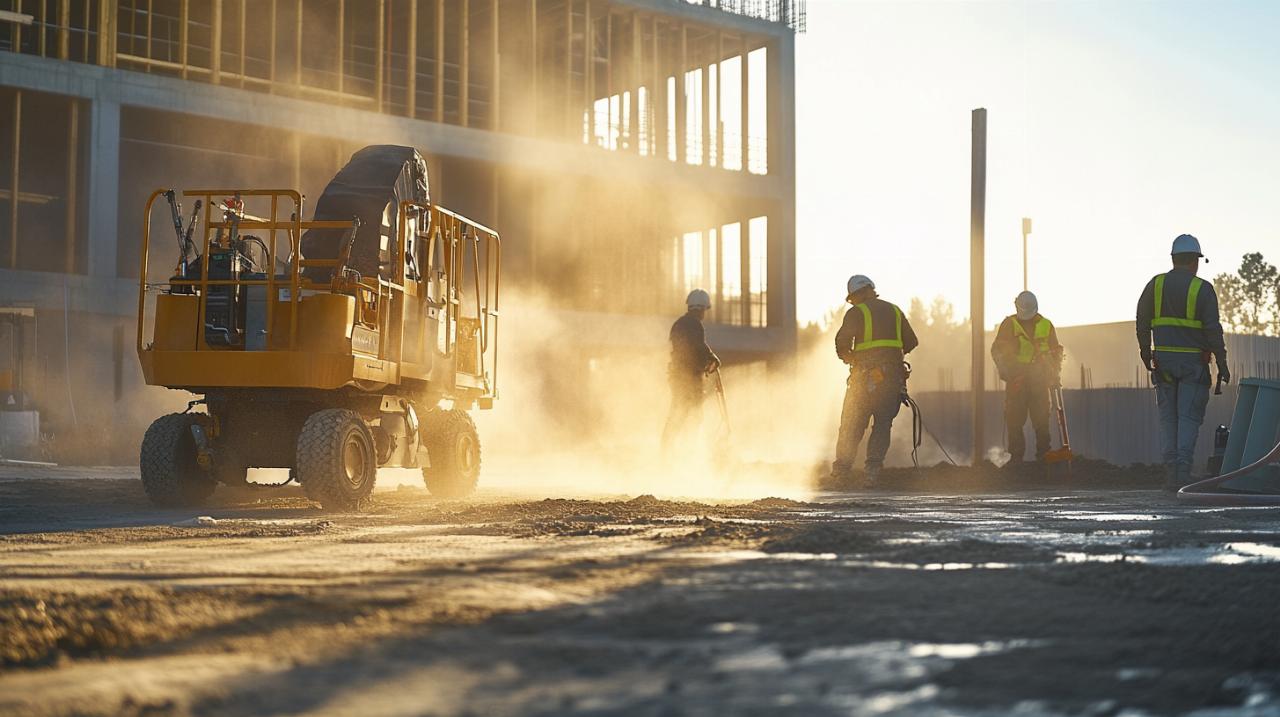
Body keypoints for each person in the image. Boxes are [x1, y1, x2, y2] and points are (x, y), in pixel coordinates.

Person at [1135, 234, 1229, 491]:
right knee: (1188, 418)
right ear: (1195, 261)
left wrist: (1145, 351)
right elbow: (1213, 330)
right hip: (1193, 366)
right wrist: (1222, 362)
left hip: (1163, 363)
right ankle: (1182, 473)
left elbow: (1142, 319)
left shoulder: (1155, 285)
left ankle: (1170, 473)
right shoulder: (1203, 289)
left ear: (1174, 258)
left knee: (1169, 419)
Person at [831, 275, 919, 486]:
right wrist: (891, 357)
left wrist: (851, 359)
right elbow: (912, 341)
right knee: (882, 424)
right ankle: (872, 473)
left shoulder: (856, 313)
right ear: (871, 289)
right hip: (891, 379)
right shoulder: (895, 310)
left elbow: (841, 342)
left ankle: (842, 473)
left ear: (854, 296)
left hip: (863, 378)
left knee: (852, 425)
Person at [991, 291, 1063, 466]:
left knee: (1041, 421)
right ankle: (1016, 459)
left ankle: (1044, 458)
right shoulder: (1009, 325)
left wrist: (1054, 373)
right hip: (1018, 381)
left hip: (1038, 381)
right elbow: (998, 352)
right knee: (1015, 421)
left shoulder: (1046, 325)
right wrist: (1009, 373)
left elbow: (1055, 351)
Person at [661, 289, 721, 451]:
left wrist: (711, 357)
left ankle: (668, 448)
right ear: (701, 309)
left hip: (677, 377)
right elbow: (697, 348)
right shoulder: (695, 326)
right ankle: (687, 450)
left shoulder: (679, 324)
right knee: (693, 414)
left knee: (677, 412)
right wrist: (709, 361)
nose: (704, 314)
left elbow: (697, 347)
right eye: (704, 310)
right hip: (688, 377)